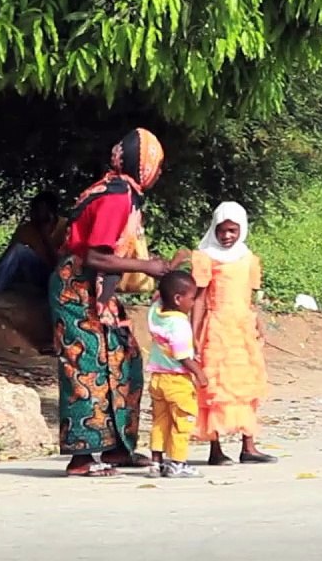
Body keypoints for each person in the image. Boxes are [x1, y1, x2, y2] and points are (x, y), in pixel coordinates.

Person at [51, 128, 174, 478]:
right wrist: (147, 267)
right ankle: (81, 457)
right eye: (157, 165)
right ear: (142, 164)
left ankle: (118, 447)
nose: (160, 173)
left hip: (96, 290)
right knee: (86, 363)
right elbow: (93, 256)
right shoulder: (116, 196)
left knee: (125, 358)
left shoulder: (123, 192)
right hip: (75, 288)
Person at [191, 202, 277, 465]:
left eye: (232, 230)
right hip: (216, 329)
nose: (227, 236)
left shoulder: (248, 258)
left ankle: (248, 445)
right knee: (215, 387)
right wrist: (194, 336)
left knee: (245, 385)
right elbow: (198, 299)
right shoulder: (205, 257)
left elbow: (249, 298)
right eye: (222, 230)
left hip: (242, 330)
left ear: (243, 228)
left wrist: (257, 324)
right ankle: (215, 449)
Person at [146, 270, 208, 479]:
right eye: (192, 298)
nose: (193, 303)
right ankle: (178, 463)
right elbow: (183, 355)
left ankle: (156, 462)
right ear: (178, 299)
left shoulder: (155, 314)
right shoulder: (180, 324)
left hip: (157, 378)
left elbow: (157, 297)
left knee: (159, 421)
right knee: (183, 422)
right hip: (177, 381)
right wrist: (200, 374)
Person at [0, 192, 66, 304]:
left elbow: (61, 264)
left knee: (21, 251)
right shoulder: (25, 230)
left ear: (50, 213)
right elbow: (8, 258)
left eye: (38, 210)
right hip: (36, 277)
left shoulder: (65, 227)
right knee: (19, 250)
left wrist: (45, 237)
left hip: (59, 278)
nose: (33, 214)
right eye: (33, 209)